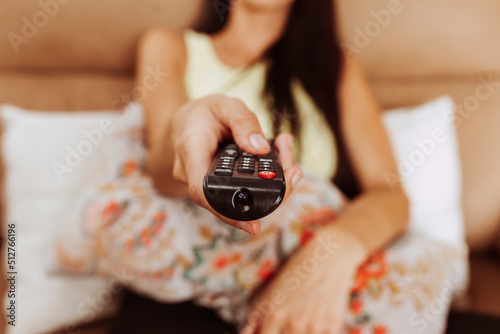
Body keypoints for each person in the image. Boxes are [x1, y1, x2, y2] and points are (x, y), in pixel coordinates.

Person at [56, 0, 467, 333]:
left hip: (316, 281)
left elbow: (390, 194)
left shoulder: (335, 65)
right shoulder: (171, 45)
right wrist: (188, 124)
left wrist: (329, 255)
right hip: (184, 291)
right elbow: (163, 169)